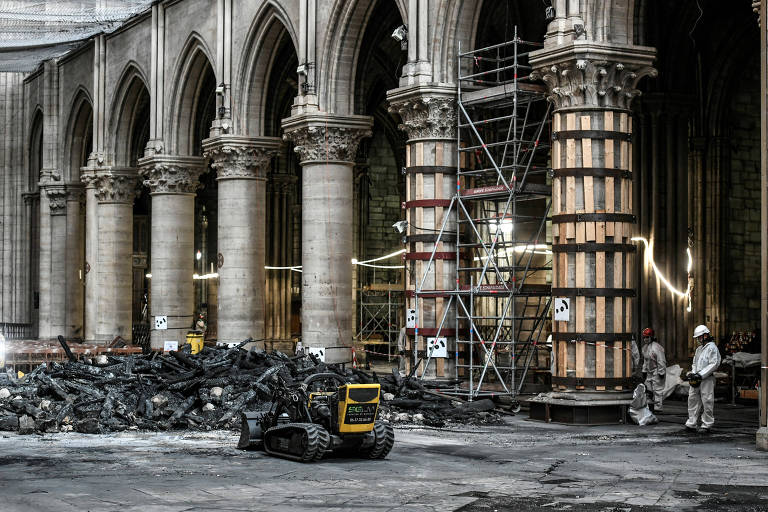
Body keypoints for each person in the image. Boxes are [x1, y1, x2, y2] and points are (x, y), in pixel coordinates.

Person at [685, 324, 722, 433]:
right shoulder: (699, 350)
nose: (698, 340)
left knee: (707, 401)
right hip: (696, 378)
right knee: (692, 400)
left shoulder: (712, 348)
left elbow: (714, 364)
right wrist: (693, 373)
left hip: (707, 379)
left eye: (699, 337)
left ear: (705, 335)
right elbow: (695, 363)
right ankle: (691, 423)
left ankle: (707, 424)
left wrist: (701, 375)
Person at [640, 327, 666, 412]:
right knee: (649, 389)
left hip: (656, 370)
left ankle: (658, 408)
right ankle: (650, 406)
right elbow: (645, 361)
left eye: (647, 337)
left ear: (651, 337)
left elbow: (661, 360)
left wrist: (661, 372)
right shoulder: (645, 348)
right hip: (649, 372)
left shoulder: (657, 347)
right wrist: (644, 371)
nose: (645, 339)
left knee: (657, 390)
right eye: (644, 337)